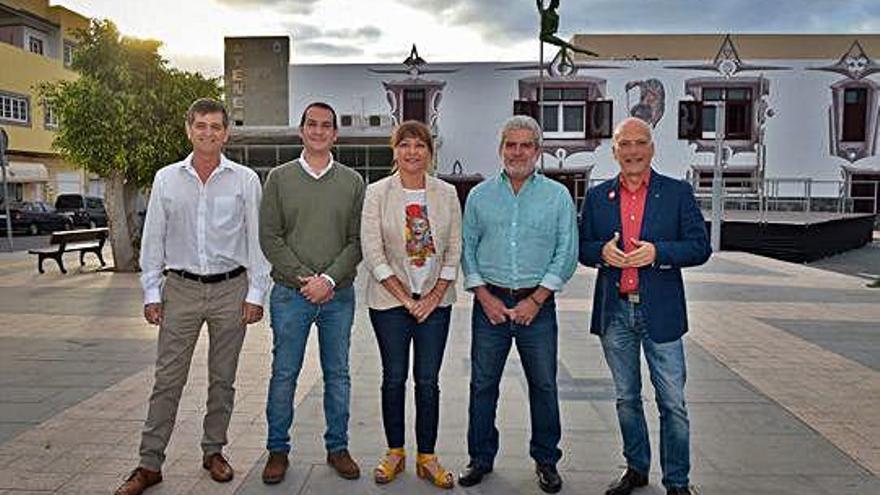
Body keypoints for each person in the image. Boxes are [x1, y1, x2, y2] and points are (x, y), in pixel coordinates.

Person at [115, 98, 270, 495]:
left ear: (226, 133)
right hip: (180, 289)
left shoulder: (245, 180)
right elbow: (154, 239)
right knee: (167, 379)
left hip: (230, 290)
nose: (208, 133)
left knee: (223, 380)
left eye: (215, 127)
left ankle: (213, 451)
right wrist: (152, 290)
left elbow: (257, 240)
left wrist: (256, 292)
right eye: (200, 126)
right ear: (189, 130)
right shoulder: (167, 178)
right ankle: (149, 463)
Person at [578, 117, 711, 495]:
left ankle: (678, 481)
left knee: (673, 402)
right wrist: (601, 254)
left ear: (652, 148)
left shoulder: (677, 193)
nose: (632, 151)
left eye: (640, 143)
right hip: (615, 312)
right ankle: (636, 468)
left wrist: (659, 253)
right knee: (626, 398)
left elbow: (700, 247)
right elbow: (583, 247)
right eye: (625, 144)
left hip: (662, 312)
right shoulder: (598, 195)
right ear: (614, 150)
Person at [458, 115, 577, 494]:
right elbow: (467, 249)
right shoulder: (479, 196)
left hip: (536, 306)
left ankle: (546, 460)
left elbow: (566, 251)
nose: (518, 151)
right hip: (489, 304)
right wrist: (483, 296)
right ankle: (479, 458)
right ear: (500, 150)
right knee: (482, 385)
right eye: (511, 144)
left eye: (526, 145)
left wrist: (538, 299)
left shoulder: (557, 196)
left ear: (538, 151)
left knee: (543, 385)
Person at [258, 101, 365, 484]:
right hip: (291, 295)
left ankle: (338, 448)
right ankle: (277, 450)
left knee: (338, 375)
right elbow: (269, 237)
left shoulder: (353, 182)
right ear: (301, 130)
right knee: (284, 374)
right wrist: (306, 280)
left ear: (335, 134)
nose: (319, 131)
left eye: (326, 126)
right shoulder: (279, 178)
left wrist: (329, 281)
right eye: (312, 124)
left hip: (339, 297)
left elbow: (357, 241)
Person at [360, 121, 462, 489]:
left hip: (437, 304)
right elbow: (372, 252)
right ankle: (395, 452)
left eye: (420, 145)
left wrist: (433, 298)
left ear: (430, 153)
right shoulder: (377, 193)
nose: (412, 152)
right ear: (395, 150)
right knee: (393, 378)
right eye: (405, 145)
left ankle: (427, 457)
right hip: (389, 303)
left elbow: (454, 249)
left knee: (428, 381)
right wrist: (406, 298)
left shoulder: (446, 193)